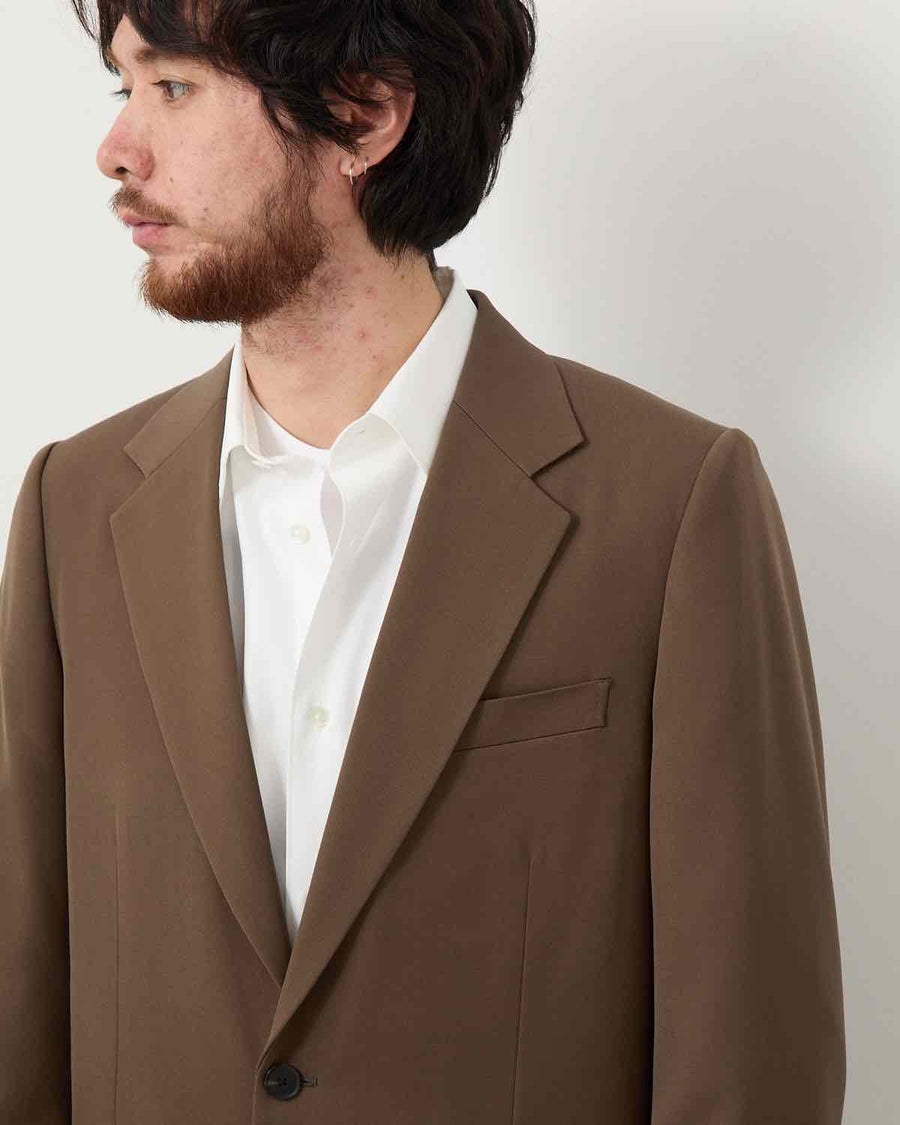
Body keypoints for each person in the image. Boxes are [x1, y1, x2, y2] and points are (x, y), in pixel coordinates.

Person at [0, 2, 846, 1122]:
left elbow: (750, 1055)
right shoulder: (75, 504)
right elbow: (22, 996)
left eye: (175, 86)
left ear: (366, 113)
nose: (116, 150)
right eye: (126, 88)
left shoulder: (670, 504)